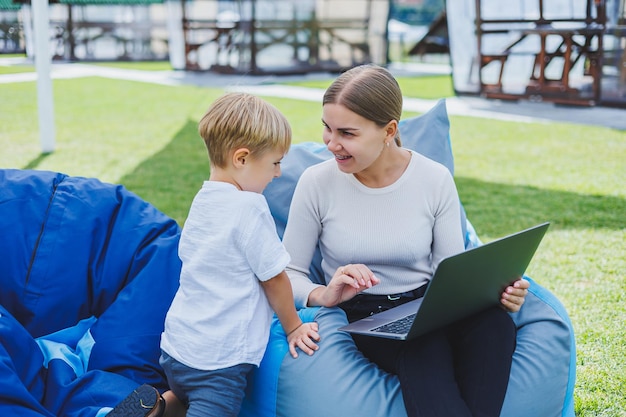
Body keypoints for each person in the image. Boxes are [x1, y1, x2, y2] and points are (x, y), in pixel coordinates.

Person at [281, 64, 530, 417]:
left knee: (495, 328)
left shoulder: (433, 179)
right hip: (366, 313)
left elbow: (450, 272)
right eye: (327, 128)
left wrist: (499, 294)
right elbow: (288, 271)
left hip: (428, 305)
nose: (332, 143)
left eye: (347, 133)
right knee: (424, 350)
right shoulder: (316, 182)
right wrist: (324, 294)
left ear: (389, 131)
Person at [110, 92, 321, 417]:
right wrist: (293, 327)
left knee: (186, 394)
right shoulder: (249, 207)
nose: (278, 173)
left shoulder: (203, 200)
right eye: (275, 163)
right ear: (242, 159)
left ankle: (157, 409)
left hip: (178, 348)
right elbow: (275, 277)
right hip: (218, 360)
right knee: (211, 404)